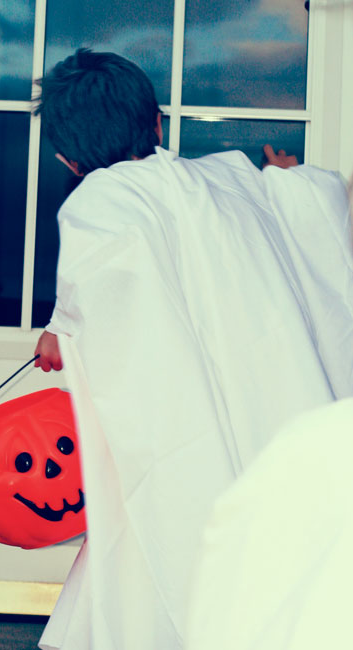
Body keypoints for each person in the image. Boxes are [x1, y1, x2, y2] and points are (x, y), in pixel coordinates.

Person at [32, 49, 353, 650]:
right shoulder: (227, 179)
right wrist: (285, 178)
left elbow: (98, 289)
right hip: (272, 399)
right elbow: (320, 199)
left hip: (181, 423)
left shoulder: (95, 204)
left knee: (160, 552)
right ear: (156, 125)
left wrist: (58, 332)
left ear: (65, 159)